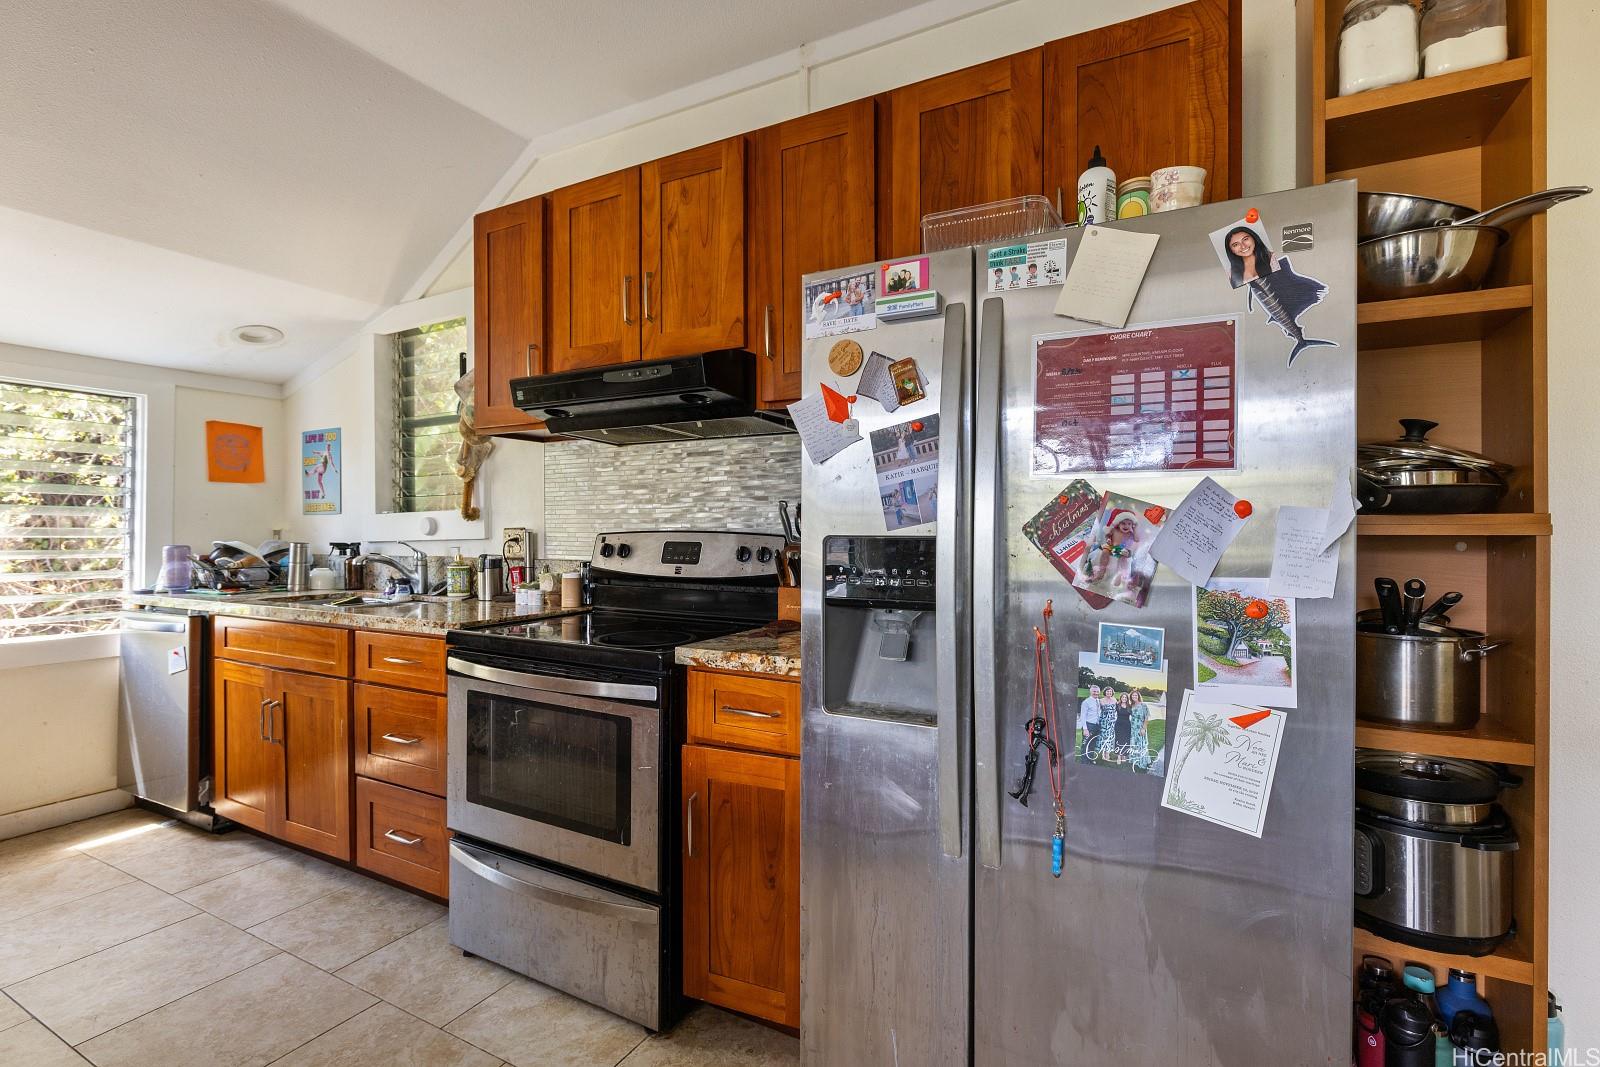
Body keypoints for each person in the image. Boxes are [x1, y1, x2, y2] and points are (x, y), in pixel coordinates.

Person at [1128, 687, 1152, 771]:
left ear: (1138, 696)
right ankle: (1136, 761)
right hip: (1133, 728)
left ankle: (1145, 762)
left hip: (1140, 727)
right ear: (1131, 697)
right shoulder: (1131, 705)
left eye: (1136, 695)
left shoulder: (1143, 705)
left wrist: (1143, 728)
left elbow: (1146, 718)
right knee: (1134, 745)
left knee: (1142, 745)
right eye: (1133, 695)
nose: (1134, 696)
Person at [1078, 684, 1103, 760]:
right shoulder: (1086, 702)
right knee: (1085, 744)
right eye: (1094, 691)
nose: (1096, 693)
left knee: (1093, 743)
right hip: (1089, 726)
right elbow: (1082, 716)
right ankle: (1084, 760)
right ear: (1090, 692)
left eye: (1097, 691)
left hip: (1096, 725)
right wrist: (1085, 729)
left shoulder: (1098, 701)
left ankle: (1090, 759)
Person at [1097, 686, 1118, 765]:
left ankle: (1107, 754)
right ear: (1105, 692)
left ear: (1112, 693)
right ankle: (1103, 754)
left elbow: (1117, 710)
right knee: (1104, 738)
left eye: (1110, 691)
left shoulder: (1115, 700)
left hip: (1112, 722)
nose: (1109, 693)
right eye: (1107, 691)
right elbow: (1097, 711)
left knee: (1110, 738)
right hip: (1104, 722)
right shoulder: (1100, 700)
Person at [1114, 691, 1133, 761]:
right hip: (1118, 724)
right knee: (1118, 740)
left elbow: (1134, 715)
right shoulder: (1117, 705)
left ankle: (1124, 755)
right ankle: (1119, 755)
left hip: (1127, 725)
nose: (1124, 698)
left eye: (1125, 697)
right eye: (1123, 697)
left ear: (1127, 698)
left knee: (1126, 740)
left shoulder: (1129, 706)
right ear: (1121, 698)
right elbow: (1111, 714)